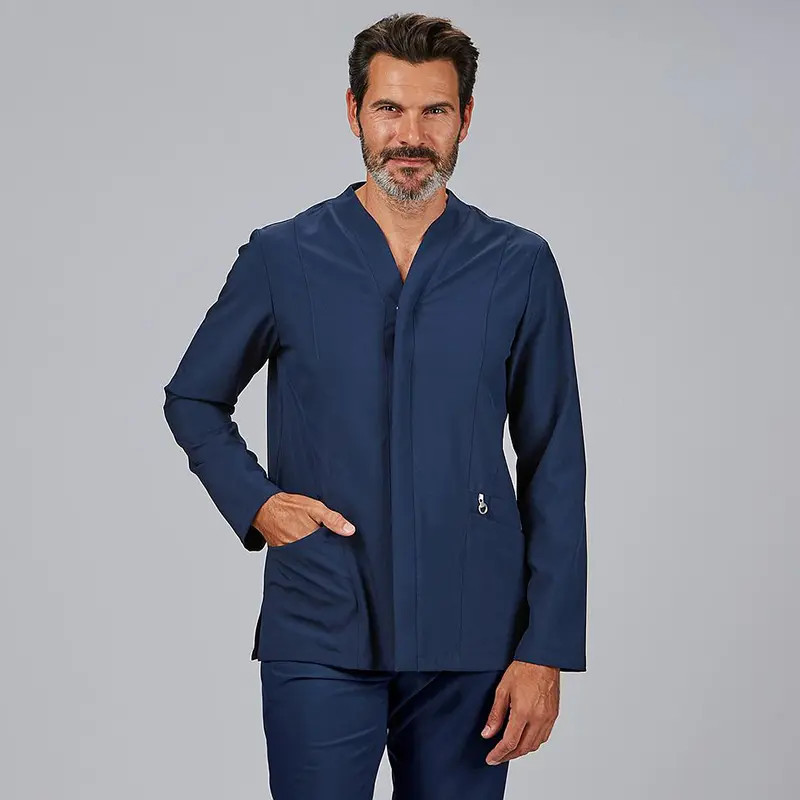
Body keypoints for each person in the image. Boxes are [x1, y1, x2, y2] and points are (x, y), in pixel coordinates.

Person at [163, 12, 587, 800]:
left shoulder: (518, 264)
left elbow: (554, 456)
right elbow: (193, 396)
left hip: (472, 632)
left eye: (435, 111)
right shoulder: (284, 255)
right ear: (355, 111)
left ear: (465, 119)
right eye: (390, 108)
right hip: (321, 619)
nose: (411, 136)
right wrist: (257, 503)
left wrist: (546, 647)